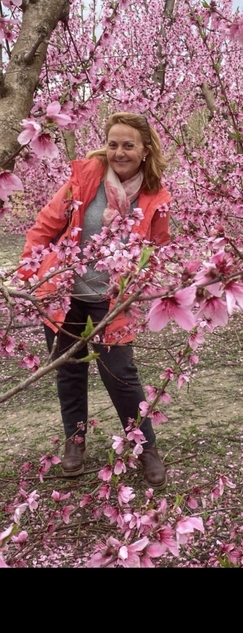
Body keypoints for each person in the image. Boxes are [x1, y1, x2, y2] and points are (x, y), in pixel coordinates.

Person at [17, 112, 172, 489]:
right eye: (113, 143)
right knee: (70, 371)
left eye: (128, 145)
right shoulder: (85, 178)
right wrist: (27, 274)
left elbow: (160, 250)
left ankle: (145, 446)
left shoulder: (155, 196)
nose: (119, 152)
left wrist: (144, 284)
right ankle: (76, 440)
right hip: (64, 295)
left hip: (112, 301)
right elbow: (44, 227)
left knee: (122, 376)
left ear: (144, 150)